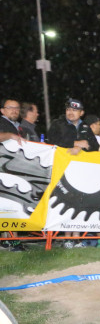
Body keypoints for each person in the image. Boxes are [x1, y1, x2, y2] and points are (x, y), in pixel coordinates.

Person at [47, 98, 99, 248]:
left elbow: (94, 146)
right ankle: (66, 238)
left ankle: (76, 238)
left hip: (81, 171)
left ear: (81, 113)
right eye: (68, 109)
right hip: (60, 169)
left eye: (74, 110)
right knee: (63, 202)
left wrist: (82, 147)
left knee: (78, 203)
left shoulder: (85, 127)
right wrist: (76, 143)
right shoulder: (58, 123)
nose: (70, 112)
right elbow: (53, 141)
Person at [0, 99, 25, 251]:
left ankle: (7, 240)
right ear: (2, 110)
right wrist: (10, 135)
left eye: (17, 108)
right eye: (10, 108)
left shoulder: (17, 126)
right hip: (4, 170)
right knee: (10, 203)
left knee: (10, 204)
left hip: (11, 170)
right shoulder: (5, 125)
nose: (14, 110)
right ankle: (13, 241)